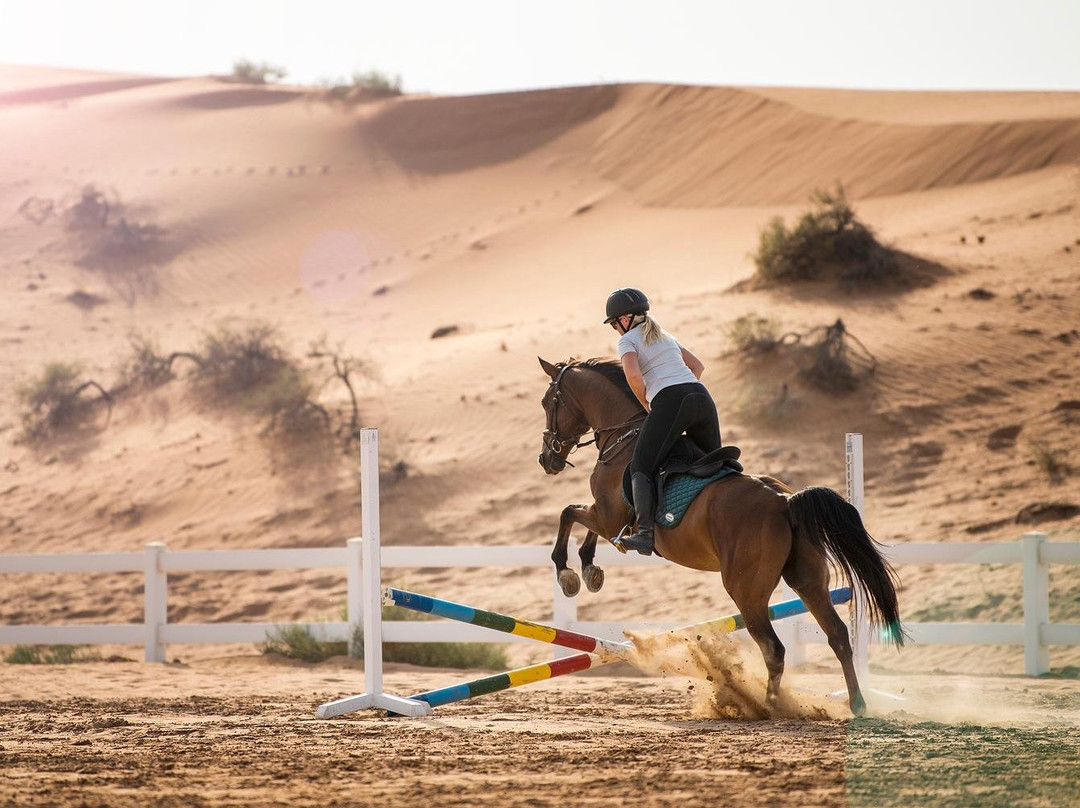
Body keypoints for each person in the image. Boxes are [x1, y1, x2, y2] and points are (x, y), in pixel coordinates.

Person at [604, 287, 721, 555]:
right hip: (701, 397)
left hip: (670, 401)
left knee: (641, 466)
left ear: (626, 319)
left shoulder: (627, 341)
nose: (615, 329)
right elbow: (697, 367)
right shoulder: (665, 336)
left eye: (614, 324)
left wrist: (648, 403)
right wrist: (686, 394)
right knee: (715, 461)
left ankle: (645, 535)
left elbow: (633, 377)